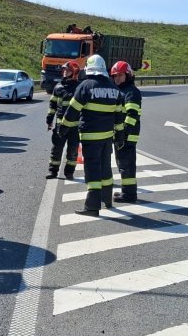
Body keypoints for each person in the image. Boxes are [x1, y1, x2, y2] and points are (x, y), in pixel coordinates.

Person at [58, 54, 125, 215]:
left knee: (92, 169)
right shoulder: (114, 89)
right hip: (107, 137)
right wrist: (120, 136)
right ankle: (107, 200)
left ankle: (92, 207)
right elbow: (119, 116)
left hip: (90, 137)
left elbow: (72, 110)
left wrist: (63, 128)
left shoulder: (85, 86)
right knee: (105, 168)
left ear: (89, 69)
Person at [110, 60, 142, 202]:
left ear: (127, 75)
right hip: (121, 135)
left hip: (127, 136)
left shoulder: (131, 92)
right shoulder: (120, 91)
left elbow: (132, 115)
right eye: (115, 75)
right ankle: (127, 192)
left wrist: (123, 134)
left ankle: (129, 195)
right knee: (122, 165)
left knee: (126, 166)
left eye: (120, 75)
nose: (117, 78)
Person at [45, 60, 81, 179]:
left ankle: (69, 173)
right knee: (56, 148)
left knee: (73, 150)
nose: (65, 72)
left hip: (75, 127)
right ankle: (53, 171)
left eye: (68, 70)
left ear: (74, 72)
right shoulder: (58, 87)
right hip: (60, 125)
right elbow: (53, 105)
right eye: (64, 70)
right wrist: (49, 119)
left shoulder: (79, 88)